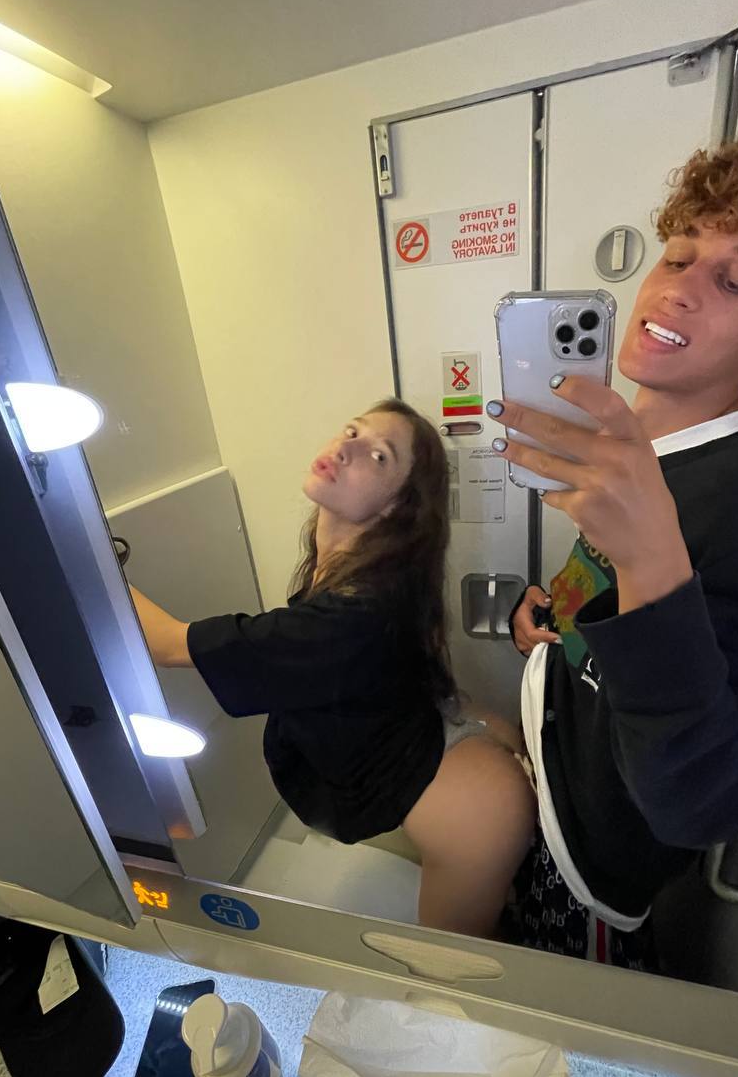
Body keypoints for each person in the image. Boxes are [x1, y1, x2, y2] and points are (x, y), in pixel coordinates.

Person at [486, 114, 738, 968]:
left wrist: (650, 557)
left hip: (593, 873)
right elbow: (621, 612)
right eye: (677, 257)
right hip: (548, 782)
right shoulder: (633, 446)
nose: (679, 290)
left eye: (734, 281)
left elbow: (710, 799)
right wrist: (547, 620)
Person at [129, 399, 534, 938]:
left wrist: (84, 552)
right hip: (449, 747)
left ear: (397, 506)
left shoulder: (348, 616)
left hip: (475, 813)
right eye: (351, 430)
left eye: (378, 455)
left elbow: (164, 644)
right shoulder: (372, 574)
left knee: (447, 968)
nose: (346, 448)